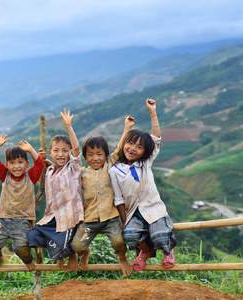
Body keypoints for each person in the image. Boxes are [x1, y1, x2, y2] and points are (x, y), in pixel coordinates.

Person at [109, 99, 177, 271]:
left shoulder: (145, 163)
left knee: (160, 235)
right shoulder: (115, 170)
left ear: (145, 152)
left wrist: (152, 112)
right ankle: (145, 253)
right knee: (130, 235)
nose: (132, 148)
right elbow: (118, 199)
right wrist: (124, 220)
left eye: (139, 147)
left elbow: (156, 138)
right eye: (130, 143)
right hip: (133, 212)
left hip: (153, 208)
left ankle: (169, 251)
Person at [71, 117, 135, 276]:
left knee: (119, 242)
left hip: (110, 218)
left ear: (105, 155)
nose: (95, 158)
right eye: (90, 154)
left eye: (99, 154)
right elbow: (74, 153)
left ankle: (122, 259)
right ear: (86, 157)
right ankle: (85, 253)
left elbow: (119, 149)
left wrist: (127, 128)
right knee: (78, 246)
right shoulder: (82, 172)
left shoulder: (110, 167)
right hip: (90, 220)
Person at [27, 109, 83, 271]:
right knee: (31, 237)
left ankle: (69, 254)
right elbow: (41, 164)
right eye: (56, 150)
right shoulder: (50, 170)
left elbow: (77, 150)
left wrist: (69, 127)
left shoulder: (73, 168)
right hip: (51, 218)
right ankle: (58, 251)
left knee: (63, 245)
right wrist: (36, 155)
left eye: (65, 151)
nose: (60, 154)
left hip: (68, 218)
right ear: (51, 152)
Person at [0, 136, 44, 271]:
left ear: (27, 164)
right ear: (7, 165)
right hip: (4, 221)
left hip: (23, 222)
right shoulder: (4, 176)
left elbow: (40, 164)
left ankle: (28, 260)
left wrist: (31, 150)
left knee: (21, 247)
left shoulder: (31, 177)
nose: (16, 166)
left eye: (20, 162)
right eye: (12, 163)